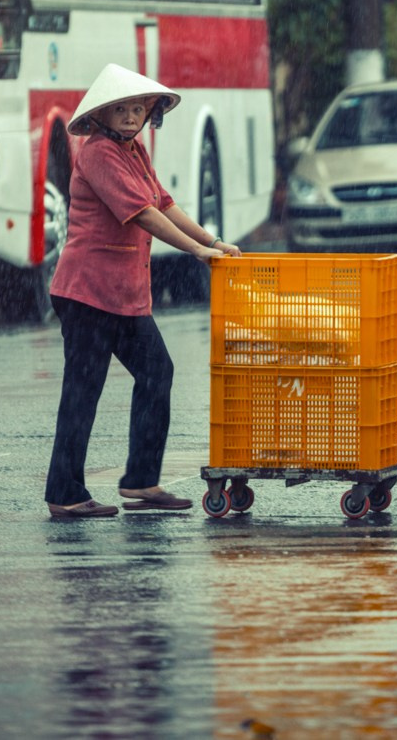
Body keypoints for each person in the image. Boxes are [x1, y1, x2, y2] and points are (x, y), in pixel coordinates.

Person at [45, 63, 241, 518]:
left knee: (157, 373)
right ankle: (64, 492)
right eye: (122, 110)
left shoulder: (133, 151)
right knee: (82, 392)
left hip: (125, 294)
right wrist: (196, 251)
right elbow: (141, 214)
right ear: (103, 115)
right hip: (87, 293)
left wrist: (212, 241)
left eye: (139, 108)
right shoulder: (97, 153)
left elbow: (163, 203)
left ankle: (141, 482)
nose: (132, 117)